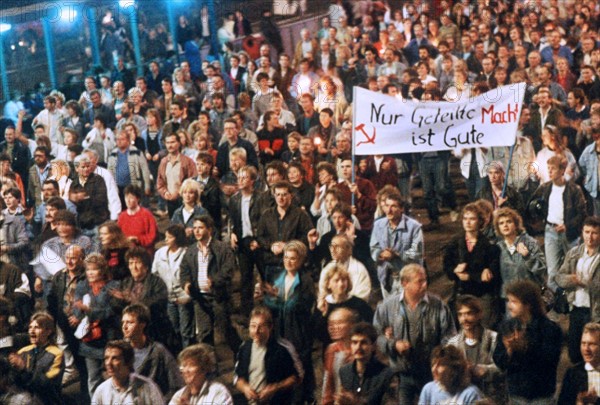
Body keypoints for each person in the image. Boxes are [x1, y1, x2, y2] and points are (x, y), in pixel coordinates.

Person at [373, 264, 456, 404]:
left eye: (425, 280)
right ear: (405, 283)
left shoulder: (438, 305)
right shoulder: (387, 306)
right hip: (402, 375)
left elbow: (450, 336)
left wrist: (439, 357)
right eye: (420, 281)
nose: (425, 285)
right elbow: (375, 335)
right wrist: (393, 344)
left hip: (430, 374)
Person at [257, 240, 316, 403]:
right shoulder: (279, 277)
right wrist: (267, 297)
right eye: (286, 257)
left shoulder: (306, 281)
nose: (288, 262)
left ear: (301, 260)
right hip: (278, 329)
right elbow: (270, 304)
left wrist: (276, 299)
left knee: (298, 369)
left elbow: (301, 305)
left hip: (297, 331)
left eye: (293, 258)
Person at [493, 280, 563, 405]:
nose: (509, 306)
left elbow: (550, 358)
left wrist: (525, 347)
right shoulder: (506, 326)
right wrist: (509, 351)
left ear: (528, 304)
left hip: (541, 396)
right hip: (516, 394)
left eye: (514, 302)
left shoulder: (550, 328)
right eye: (508, 301)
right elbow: (499, 361)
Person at [180, 215, 241, 354]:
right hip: (200, 298)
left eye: (200, 228)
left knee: (226, 331)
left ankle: (240, 358)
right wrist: (186, 284)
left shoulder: (222, 248)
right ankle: (210, 367)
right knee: (204, 334)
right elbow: (184, 271)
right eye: (194, 228)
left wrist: (214, 280)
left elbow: (229, 269)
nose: (196, 231)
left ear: (210, 229)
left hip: (219, 297)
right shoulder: (191, 251)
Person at [529, 155, 587, 292]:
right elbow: (532, 205)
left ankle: (573, 300)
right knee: (552, 271)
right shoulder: (545, 188)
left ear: (562, 171)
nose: (550, 172)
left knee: (573, 268)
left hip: (570, 233)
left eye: (553, 169)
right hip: (551, 231)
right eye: (548, 169)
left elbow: (582, 214)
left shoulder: (574, 190)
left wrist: (568, 226)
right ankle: (557, 301)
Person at [444, 203, 501, 328]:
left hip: (481, 294)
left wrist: (470, 276)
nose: (468, 222)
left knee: (485, 329)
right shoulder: (455, 243)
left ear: (480, 221)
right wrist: (455, 271)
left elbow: (491, 275)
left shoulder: (489, 245)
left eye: (472, 219)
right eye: (465, 218)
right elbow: (447, 268)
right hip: (462, 293)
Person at [71, 253, 120, 396]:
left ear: (102, 270)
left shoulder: (113, 286)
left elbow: (111, 311)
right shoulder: (82, 285)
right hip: (89, 340)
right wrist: (79, 313)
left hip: (109, 336)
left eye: (94, 269)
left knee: (113, 377)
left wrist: (89, 311)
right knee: (93, 378)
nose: (90, 273)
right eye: (88, 269)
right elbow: (77, 309)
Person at [234, 305, 302, 405]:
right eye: (253, 326)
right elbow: (238, 378)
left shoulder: (281, 349)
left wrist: (275, 388)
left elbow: (294, 378)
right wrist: (245, 388)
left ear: (270, 327)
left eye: (261, 327)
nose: (256, 331)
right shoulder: (245, 348)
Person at [556, 216, 600, 364]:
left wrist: (586, 283)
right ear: (582, 232)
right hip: (576, 308)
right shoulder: (574, 253)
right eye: (587, 232)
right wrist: (572, 280)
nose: (590, 236)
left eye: (594, 233)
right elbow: (559, 277)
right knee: (574, 351)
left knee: (593, 352)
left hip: (594, 311)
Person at [447, 295, 505, 403]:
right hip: (463, 398)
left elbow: (503, 368)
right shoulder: (453, 344)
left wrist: (485, 370)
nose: (464, 319)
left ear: (479, 314)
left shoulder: (494, 339)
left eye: (469, 313)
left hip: (490, 397)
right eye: (460, 315)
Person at [121, 303, 183, 401]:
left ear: (142, 324)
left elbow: (176, 382)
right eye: (123, 322)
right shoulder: (120, 351)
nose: (124, 326)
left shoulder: (158, 351)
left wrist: (161, 401)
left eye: (130, 322)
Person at [371, 192, 424, 298]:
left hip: (408, 278)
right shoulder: (378, 225)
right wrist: (381, 254)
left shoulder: (414, 227)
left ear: (401, 209)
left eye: (393, 206)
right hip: (386, 278)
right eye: (387, 206)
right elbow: (374, 248)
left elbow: (417, 253)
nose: (389, 210)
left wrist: (397, 254)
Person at [152, 224, 193, 348]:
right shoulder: (160, 253)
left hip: (183, 297)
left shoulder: (187, 254)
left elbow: (191, 276)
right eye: (166, 237)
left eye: (169, 237)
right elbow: (155, 274)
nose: (166, 240)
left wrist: (187, 296)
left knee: (186, 331)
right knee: (174, 329)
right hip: (168, 297)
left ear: (177, 238)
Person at [494, 208, 547, 306]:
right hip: (509, 300)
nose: (505, 225)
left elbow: (542, 268)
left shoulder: (529, 242)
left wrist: (528, 256)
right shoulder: (498, 248)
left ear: (516, 224)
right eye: (501, 223)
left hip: (530, 297)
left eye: (508, 221)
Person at [8, 312, 64, 405]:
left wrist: (23, 369)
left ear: (48, 331)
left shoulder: (56, 354)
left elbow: (46, 384)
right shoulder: (23, 352)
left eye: (37, 327)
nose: (31, 331)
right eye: (30, 327)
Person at [337, 322, 395, 405]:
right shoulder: (344, 372)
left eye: (363, 343)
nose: (358, 347)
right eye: (354, 342)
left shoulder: (386, 375)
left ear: (373, 346)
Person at [91, 340, 164, 404]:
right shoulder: (101, 391)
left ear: (128, 361)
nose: (108, 363)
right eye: (106, 358)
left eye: (115, 358)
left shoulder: (147, 387)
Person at [418, 345, 483, 405]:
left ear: (453, 369)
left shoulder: (471, 393)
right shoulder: (428, 389)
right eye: (433, 364)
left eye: (441, 365)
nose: (434, 369)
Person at [558, 322, 600, 405]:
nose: (586, 349)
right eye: (583, 343)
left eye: (592, 344)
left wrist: (596, 401)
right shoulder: (572, 373)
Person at [117, 185, 158, 254]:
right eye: (126, 197)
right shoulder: (122, 216)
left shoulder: (146, 215)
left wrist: (138, 240)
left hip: (143, 252)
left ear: (138, 199)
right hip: (126, 252)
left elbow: (153, 236)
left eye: (131, 197)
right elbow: (118, 236)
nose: (128, 200)